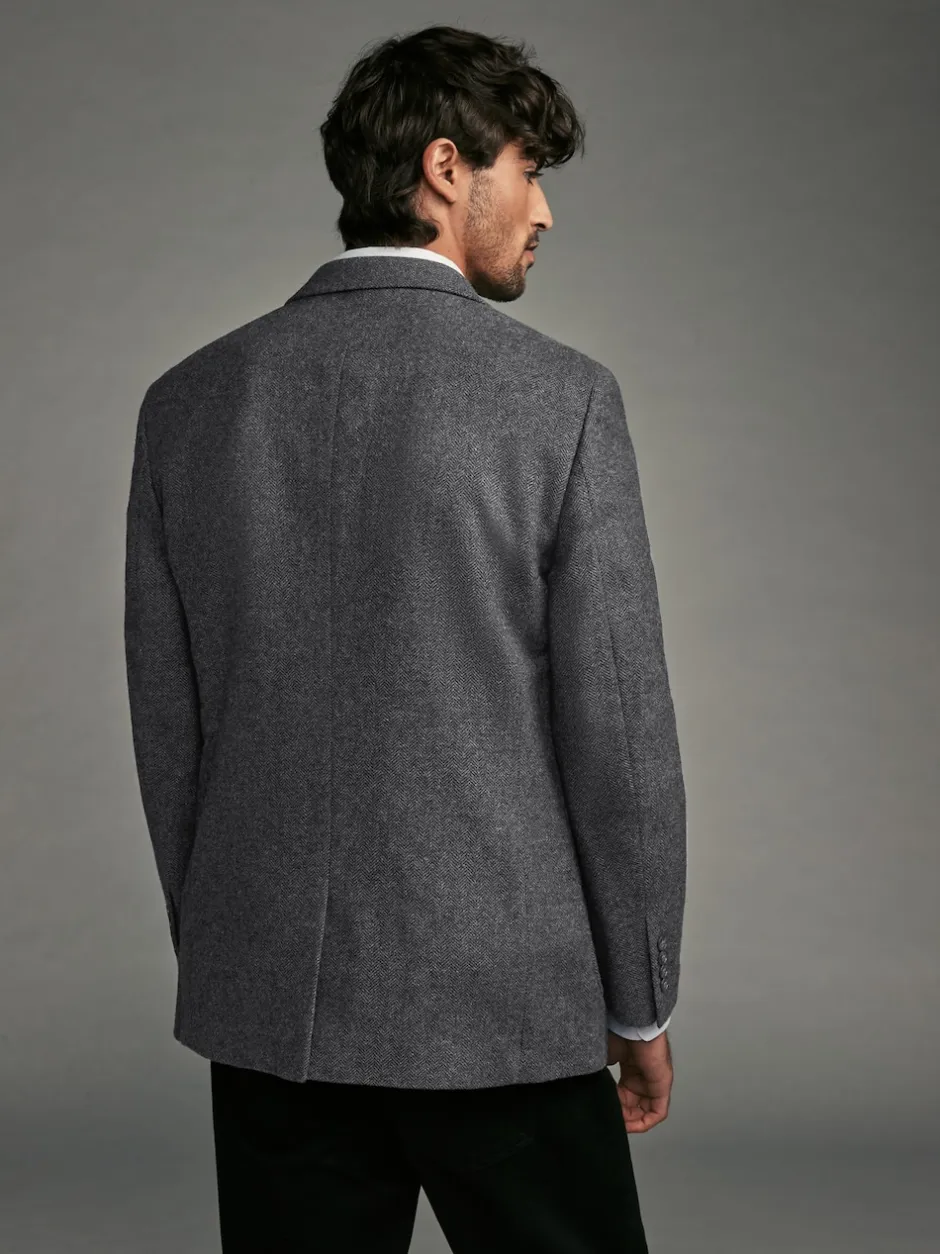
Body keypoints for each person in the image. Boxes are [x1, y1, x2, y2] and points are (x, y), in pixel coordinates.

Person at [123, 22, 686, 1253]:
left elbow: (172, 733)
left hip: (272, 1005)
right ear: (445, 167)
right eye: (528, 170)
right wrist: (640, 1000)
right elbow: (619, 738)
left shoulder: (187, 406)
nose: (543, 211)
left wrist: (235, 953)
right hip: (503, 1006)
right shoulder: (560, 402)